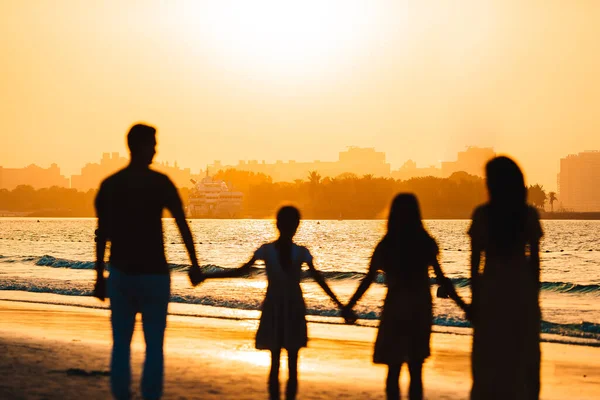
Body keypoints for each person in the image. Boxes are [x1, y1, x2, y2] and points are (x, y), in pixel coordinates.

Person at [93, 123, 203, 400]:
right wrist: (194, 264)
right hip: (154, 275)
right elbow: (181, 224)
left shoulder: (111, 185)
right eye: (152, 144)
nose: (155, 149)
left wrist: (98, 277)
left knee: (121, 345)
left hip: (121, 274)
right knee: (154, 346)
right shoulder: (160, 183)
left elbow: (101, 235)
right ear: (139, 146)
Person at [197, 206, 346, 400]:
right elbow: (319, 280)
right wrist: (341, 305)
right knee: (292, 365)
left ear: (277, 224)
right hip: (291, 309)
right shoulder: (300, 253)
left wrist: (206, 276)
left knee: (275, 363)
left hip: (276, 307)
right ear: (297, 226)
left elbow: (241, 271)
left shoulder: (269, 251)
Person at [343, 193, 468, 400]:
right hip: (420, 308)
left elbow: (368, 279)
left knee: (393, 370)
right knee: (416, 370)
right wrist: (464, 306)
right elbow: (442, 278)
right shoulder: (424, 242)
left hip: (396, 307)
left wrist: (349, 305)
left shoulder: (387, 244)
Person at [467, 156, 543, 400]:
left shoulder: (483, 215)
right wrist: (534, 295)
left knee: (489, 360)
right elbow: (535, 262)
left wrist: (475, 298)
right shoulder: (527, 215)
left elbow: (475, 262)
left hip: (492, 290)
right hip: (521, 290)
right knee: (523, 358)